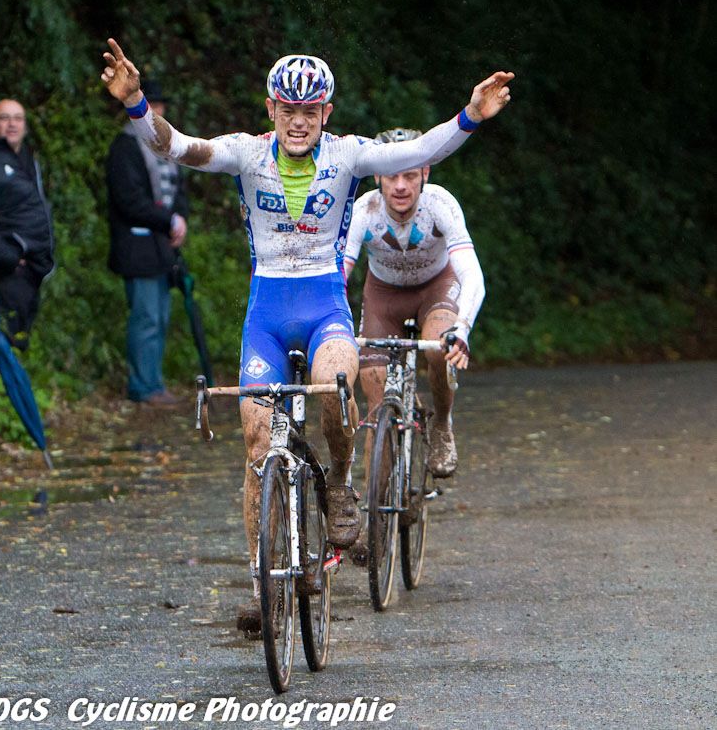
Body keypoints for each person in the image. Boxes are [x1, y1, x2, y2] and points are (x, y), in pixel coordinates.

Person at [100, 38, 513, 632]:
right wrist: (137, 104)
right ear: (271, 110)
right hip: (265, 316)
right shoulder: (247, 154)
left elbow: (422, 148)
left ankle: (342, 484)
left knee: (335, 387)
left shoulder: (346, 156)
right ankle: (262, 582)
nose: (298, 122)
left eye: (310, 111)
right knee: (254, 440)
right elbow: (182, 149)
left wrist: (471, 114)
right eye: (287, 110)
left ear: (326, 113)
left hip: (325, 310)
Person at [344, 128, 485, 486]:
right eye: (392, 175)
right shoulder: (364, 210)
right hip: (383, 297)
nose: (401, 185)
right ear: (377, 175)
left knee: (440, 348)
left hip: (435, 289)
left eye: (410, 174)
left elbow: (472, 274)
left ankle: (441, 423)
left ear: (425, 173)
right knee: (375, 403)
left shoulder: (440, 204)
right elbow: (337, 275)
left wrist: (463, 328)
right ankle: (377, 509)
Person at [106, 80, 189, 407]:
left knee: (161, 316)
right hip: (137, 247)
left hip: (162, 248)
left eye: (159, 107)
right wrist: (167, 220)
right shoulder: (124, 147)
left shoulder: (166, 146)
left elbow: (179, 191)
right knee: (146, 317)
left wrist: (179, 217)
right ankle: (143, 386)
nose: (155, 112)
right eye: (149, 106)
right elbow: (129, 200)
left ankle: (153, 382)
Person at [0, 99, 54, 350]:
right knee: (3, 350)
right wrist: (9, 257)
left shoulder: (26, 160)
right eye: (4, 118)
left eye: (18, 118)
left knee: (18, 346)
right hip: (2, 277)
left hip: (28, 276)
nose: (12, 124)